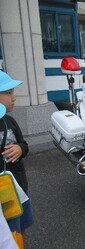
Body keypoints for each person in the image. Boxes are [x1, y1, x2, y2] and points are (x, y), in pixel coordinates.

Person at [0, 71, 34, 248]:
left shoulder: (10, 121)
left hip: (19, 186)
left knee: (20, 226)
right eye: (8, 93)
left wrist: (20, 149)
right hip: (2, 191)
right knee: (7, 229)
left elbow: (24, 144)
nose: (14, 98)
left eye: (12, 92)